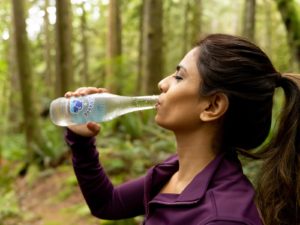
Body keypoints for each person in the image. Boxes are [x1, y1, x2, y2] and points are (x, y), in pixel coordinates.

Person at [64, 34, 300, 225]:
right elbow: (109, 203)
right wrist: (81, 141)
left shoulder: (224, 217)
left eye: (179, 76)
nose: (162, 83)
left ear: (212, 106)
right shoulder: (175, 171)